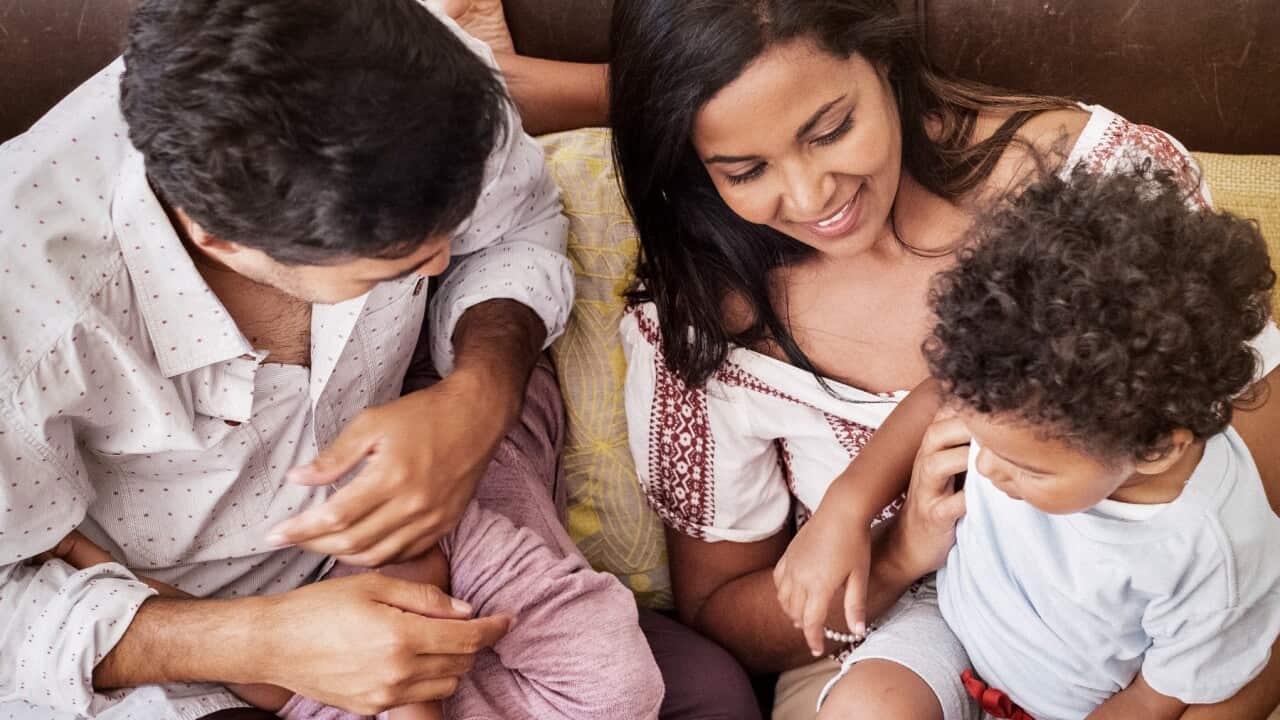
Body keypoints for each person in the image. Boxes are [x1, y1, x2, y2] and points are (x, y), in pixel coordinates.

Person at [604, 0, 1280, 717]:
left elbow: (1254, 513)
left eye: (831, 130)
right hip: (910, 624)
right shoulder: (701, 321)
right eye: (743, 171)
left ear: (885, 61)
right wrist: (894, 552)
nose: (809, 196)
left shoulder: (1092, 199)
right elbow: (722, 610)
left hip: (1134, 640)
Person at [0, 1, 664, 718]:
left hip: (430, 533)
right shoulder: (26, 307)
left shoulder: (420, 75)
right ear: (218, 237)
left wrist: (479, 395)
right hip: (151, 640)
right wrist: (254, 642)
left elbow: (514, 232)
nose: (443, 264)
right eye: (397, 267)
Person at [777, 167, 1280, 719]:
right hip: (947, 626)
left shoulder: (1214, 552)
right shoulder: (1018, 390)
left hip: (1072, 704)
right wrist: (845, 509)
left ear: (1154, 448)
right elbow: (934, 397)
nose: (984, 469)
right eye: (980, 440)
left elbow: (1154, 699)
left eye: (1028, 469)